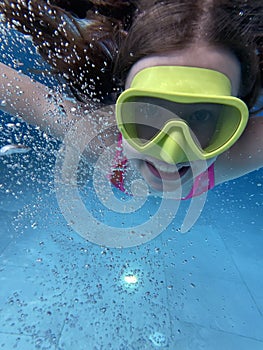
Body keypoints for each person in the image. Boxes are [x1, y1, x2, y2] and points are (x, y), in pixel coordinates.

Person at [0, 0, 262, 200]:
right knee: (75, 168)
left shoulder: (238, 151)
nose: (170, 154)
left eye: (203, 115)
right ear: (119, 101)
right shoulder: (98, 136)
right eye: (150, 111)